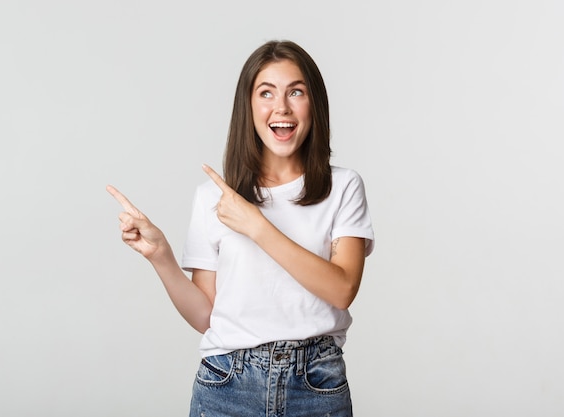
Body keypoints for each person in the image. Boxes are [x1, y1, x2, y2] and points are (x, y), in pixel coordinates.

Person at [107, 40, 374, 417]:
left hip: (316, 385)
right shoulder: (213, 198)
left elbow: (343, 288)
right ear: (248, 107)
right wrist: (161, 256)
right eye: (266, 93)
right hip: (228, 385)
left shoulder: (343, 187)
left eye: (295, 92)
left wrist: (257, 226)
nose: (281, 107)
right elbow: (206, 316)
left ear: (314, 104)